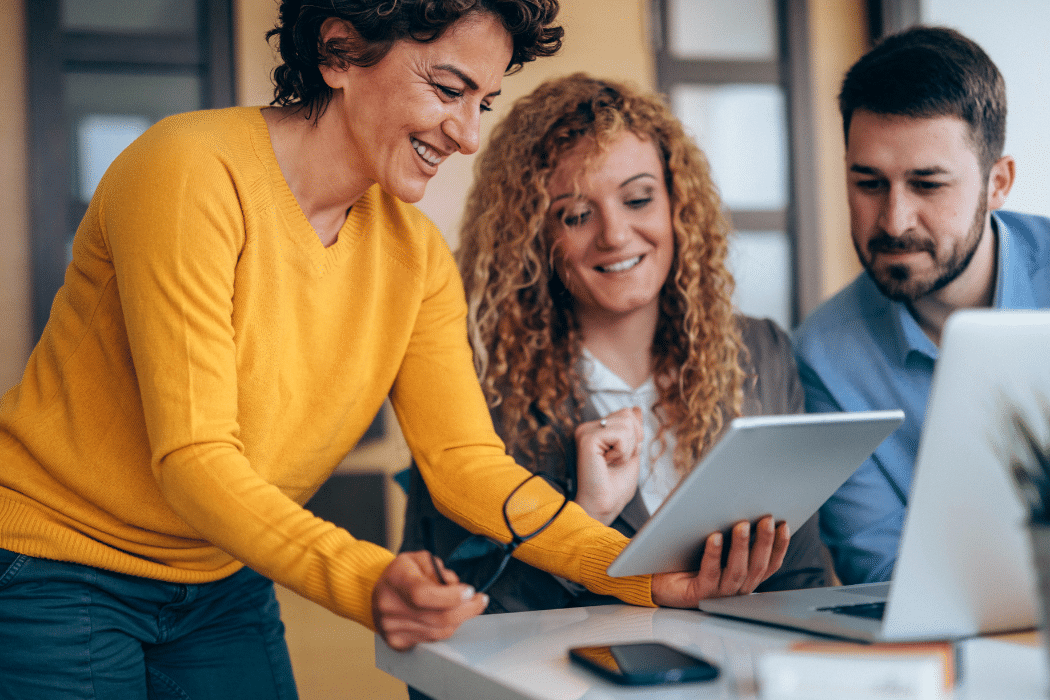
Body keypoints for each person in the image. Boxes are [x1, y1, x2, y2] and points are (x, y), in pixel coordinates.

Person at [0, 1, 573, 697]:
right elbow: (195, 459)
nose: (469, 135)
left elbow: (463, 462)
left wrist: (640, 571)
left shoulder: (417, 257)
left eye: (484, 102)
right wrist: (367, 579)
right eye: (449, 90)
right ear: (339, 53)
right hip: (57, 563)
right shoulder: (191, 169)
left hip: (221, 573)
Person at [403, 73, 830, 620]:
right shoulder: (473, 383)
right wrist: (585, 519)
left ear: (677, 203)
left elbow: (802, 579)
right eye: (577, 215)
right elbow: (454, 615)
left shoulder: (760, 353)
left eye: (638, 199)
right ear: (535, 235)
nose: (615, 234)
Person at [793, 26, 1050, 585]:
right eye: (869, 184)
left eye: (927, 185)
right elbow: (881, 571)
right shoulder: (825, 355)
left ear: (998, 183)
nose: (894, 221)